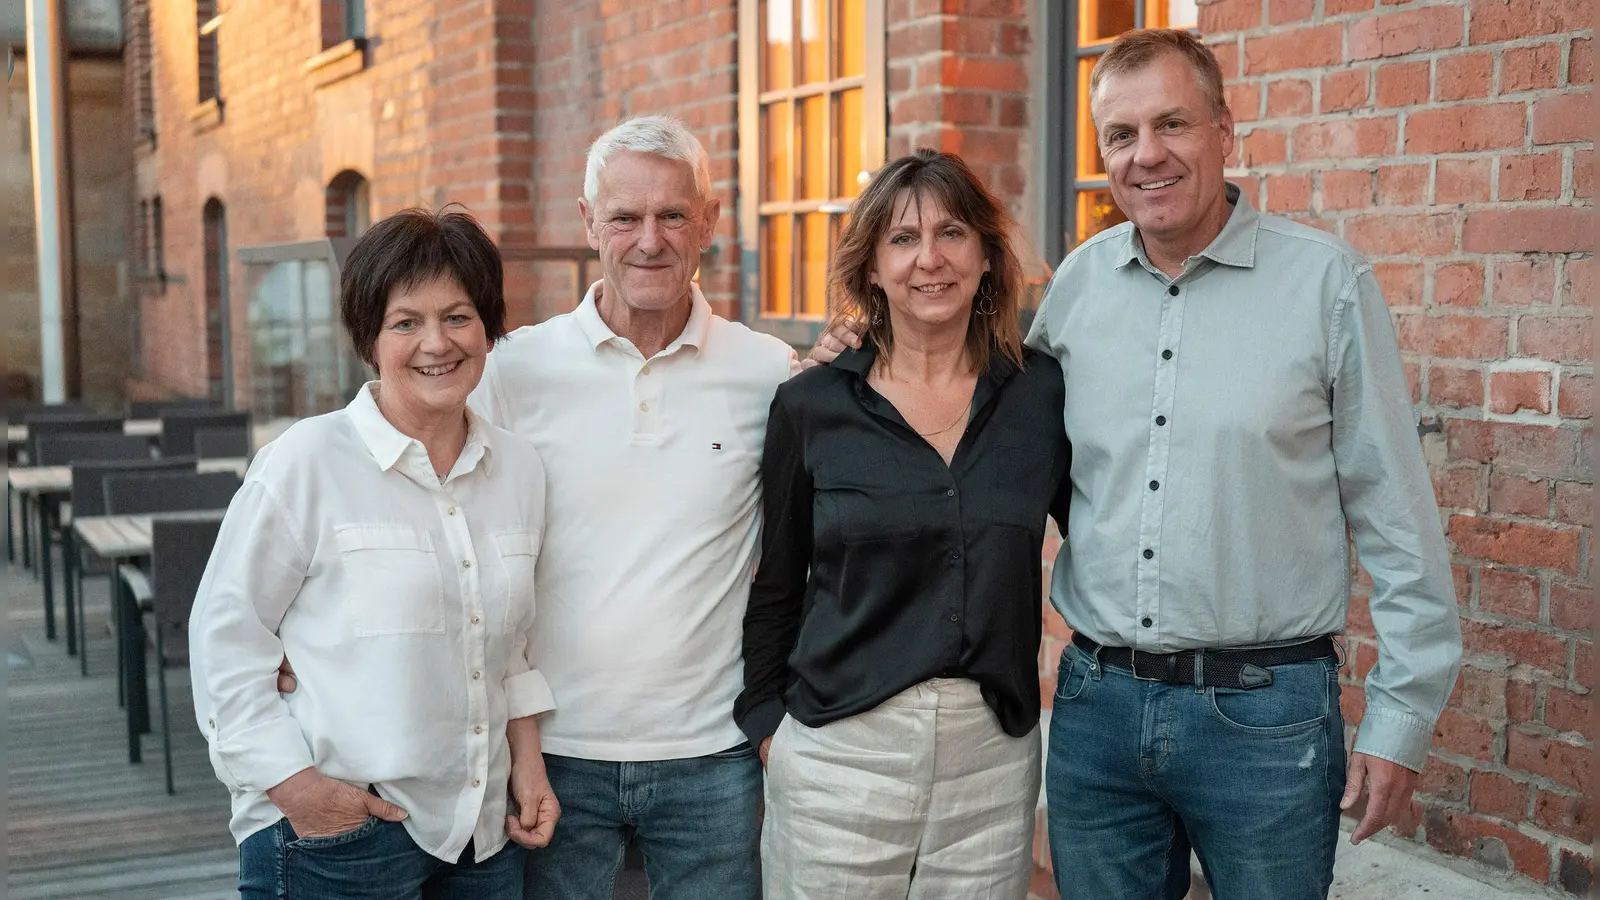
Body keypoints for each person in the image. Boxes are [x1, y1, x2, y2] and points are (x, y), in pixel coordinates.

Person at [810, 29, 1463, 900]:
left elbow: (1398, 519)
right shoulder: (1076, 289)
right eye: (1121, 135)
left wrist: (1401, 720)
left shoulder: (1326, 286)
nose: (1146, 155)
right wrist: (857, 355)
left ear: (1224, 129)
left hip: (1265, 717)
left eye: (1173, 125)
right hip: (1096, 711)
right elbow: (967, 411)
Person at [466, 116, 799, 900]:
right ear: (590, 223)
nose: (649, 239)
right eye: (625, 216)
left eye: (673, 214)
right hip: (552, 752)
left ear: (710, 223)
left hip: (713, 756)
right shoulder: (515, 368)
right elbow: (402, 461)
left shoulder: (768, 372)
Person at [189, 208, 560, 900]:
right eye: (405, 322)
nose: (436, 343)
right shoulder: (306, 462)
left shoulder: (519, 470)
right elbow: (223, 640)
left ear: (488, 329)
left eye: (458, 317)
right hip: (341, 835)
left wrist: (527, 766)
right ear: (369, 340)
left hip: (483, 835)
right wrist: (298, 790)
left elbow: (507, 645)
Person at [735, 149, 1070, 899]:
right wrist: (766, 723)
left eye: (952, 234)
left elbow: (1104, 533)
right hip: (840, 749)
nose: (931, 260)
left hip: (991, 755)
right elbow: (778, 578)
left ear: (986, 256)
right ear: (873, 267)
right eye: (903, 239)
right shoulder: (812, 404)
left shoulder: (1039, 395)